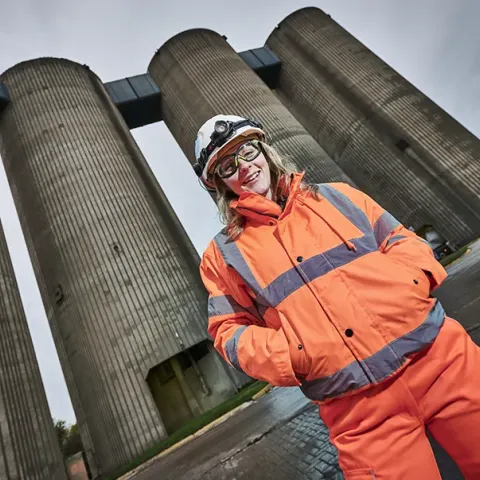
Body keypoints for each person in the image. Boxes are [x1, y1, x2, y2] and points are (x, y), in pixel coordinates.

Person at [193, 114, 480, 479]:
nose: (245, 167)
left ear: (263, 149)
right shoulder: (224, 255)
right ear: (219, 184)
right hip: (359, 413)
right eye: (227, 165)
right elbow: (228, 332)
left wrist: (408, 284)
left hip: (443, 363)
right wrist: (292, 354)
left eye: (247, 151)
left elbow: (401, 240)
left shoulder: (336, 197)